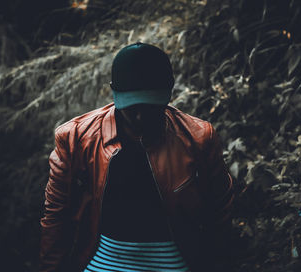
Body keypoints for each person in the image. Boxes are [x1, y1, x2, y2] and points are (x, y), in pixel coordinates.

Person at [39, 42, 235, 272]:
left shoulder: (198, 138)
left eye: (150, 106)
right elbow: (56, 214)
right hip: (104, 261)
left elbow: (219, 206)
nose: (141, 117)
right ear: (114, 90)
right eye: (132, 107)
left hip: (173, 262)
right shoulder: (76, 137)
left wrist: (215, 262)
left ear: (169, 91)